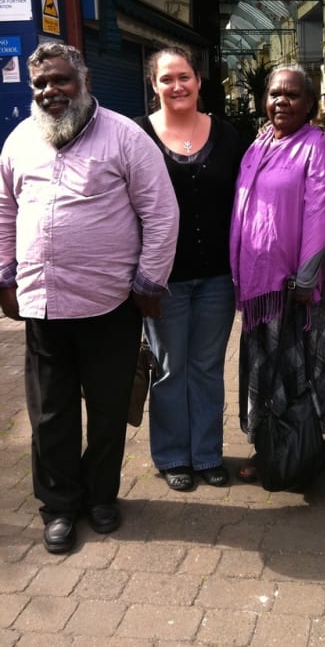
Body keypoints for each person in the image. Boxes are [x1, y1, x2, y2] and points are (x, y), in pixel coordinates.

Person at [0, 42, 178, 554]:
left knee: (106, 410)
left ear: (84, 81)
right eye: (41, 84)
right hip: (43, 304)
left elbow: (161, 213)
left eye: (60, 80)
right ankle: (59, 506)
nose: (50, 91)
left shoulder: (126, 137)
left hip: (110, 305)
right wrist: (5, 277)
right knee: (50, 414)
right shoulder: (19, 141)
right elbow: (4, 211)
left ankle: (101, 496)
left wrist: (149, 284)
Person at [137, 47, 244, 491]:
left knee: (206, 367)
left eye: (184, 76)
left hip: (218, 277)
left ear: (199, 81)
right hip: (163, 280)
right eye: (167, 78)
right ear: (154, 85)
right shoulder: (137, 135)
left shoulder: (228, 135)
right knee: (169, 368)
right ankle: (172, 456)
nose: (177, 86)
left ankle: (206, 453)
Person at [230, 64, 325, 482]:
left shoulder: (314, 146)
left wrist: (306, 276)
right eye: (275, 93)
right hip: (258, 286)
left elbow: (319, 210)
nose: (281, 101)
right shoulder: (260, 143)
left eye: (292, 95)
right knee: (262, 368)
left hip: (290, 286)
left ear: (309, 104)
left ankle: (294, 453)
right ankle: (267, 447)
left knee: (292, 371)